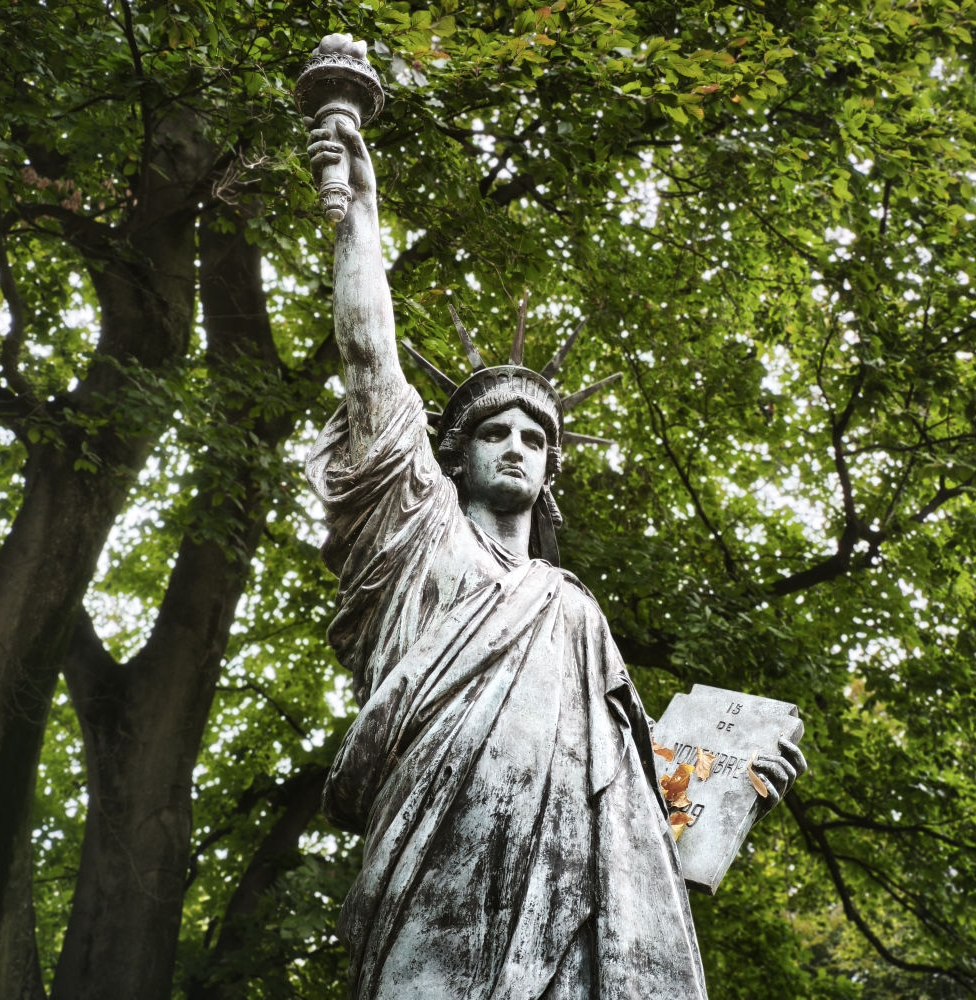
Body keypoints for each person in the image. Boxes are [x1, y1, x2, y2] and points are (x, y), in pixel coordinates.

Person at [306, 115, 806, 1000]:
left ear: (548, 468)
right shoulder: (420, 537)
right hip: (434, 855)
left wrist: (732, 781)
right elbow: (369, 358)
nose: (514, 446)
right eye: (492, 432)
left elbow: (636, 787)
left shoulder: (571, 607)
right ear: (452, 455)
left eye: (534, 436)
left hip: (580, 882)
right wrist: (359, 215)